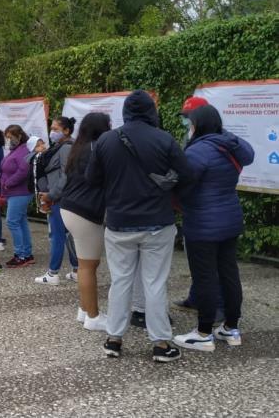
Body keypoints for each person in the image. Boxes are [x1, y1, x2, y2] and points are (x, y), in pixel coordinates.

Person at [86, 90, 193, 363]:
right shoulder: (164, 139)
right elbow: (188, 174)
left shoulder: (106, 141)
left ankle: (113, 340)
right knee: (154, 283)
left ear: (125, 112)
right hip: (158, 222)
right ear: (150, 111)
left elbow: (92, 179)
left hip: (119, 223)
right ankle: (160, 344)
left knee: (121, 281)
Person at [173, 105, 254, 352]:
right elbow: (248, 157)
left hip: (202, 223)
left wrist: (175, 201)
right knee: (229, 274)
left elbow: (184, 184)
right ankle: (231, 328)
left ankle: (204, 332)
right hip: (230, 219)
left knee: (205, 277)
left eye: (191, 123)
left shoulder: (199, 151)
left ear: (199, 125)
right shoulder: (231, 145)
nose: (189, 127)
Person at [60, 113, 111, 331]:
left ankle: (84, 309)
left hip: (70, 208)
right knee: (89, 266)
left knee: (85, 264)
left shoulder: (78, 148)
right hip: (86, 212)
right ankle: (93, 316)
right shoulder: (97, 149)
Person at [35, 116, 79, 285]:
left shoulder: (66, 148)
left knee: (57, 236)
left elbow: (65, 175)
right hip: (61, 197)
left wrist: (51, 195)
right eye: (51, 128)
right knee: (67, 236)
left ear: (66, 131)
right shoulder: (61, 146)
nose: (51, 132)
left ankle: (53, 273)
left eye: (55, 129)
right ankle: (76, 270)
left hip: (59, 198)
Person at [0, 125, 34, 268]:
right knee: (20, 222)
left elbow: (23, 170)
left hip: (19, 192)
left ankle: (20, 255)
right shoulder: (16, 150)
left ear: (19, 136)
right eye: (6, 137)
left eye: (10, 137)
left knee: (12, 222)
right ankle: (26, 253)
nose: (8, 140)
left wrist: (8, 183)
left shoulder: (23, 150)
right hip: (16, 192)